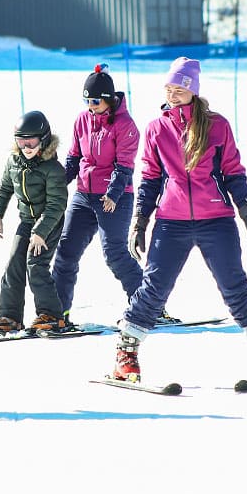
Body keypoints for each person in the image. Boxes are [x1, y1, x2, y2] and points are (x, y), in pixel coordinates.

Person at [114, 57, 247, 382]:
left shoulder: (216, 125)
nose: (173, 94)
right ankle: (126, 354)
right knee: (153, 289)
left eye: (180, 88)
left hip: (216, 219)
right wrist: (139, 222)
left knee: (234, 286)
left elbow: (233, 171)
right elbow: (149, 179)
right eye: (169, 88)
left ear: (193, 91)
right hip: (171, 221)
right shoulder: (156, 128)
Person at [53, 64, 180, 327]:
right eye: (87, 100)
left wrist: (112, 193)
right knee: (66, 251)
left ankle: (149, 308)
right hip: (84, 196)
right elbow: (74, 158)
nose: (91, 106)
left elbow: (125, 165)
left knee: (115, 253)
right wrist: (57, 185)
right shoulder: (82, 120)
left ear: (109, 100)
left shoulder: (126, 125)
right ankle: (57, 313)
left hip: (116, 198)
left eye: (96, 101)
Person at [0, 111, 69, 335]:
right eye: (21, 140)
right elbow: (5, 188)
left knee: (35, 265)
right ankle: (10, 317)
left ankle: (52, 316)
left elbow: (56, 204)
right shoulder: (13, 162)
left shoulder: (53, 169)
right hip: (26, 222)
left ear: (43, 139)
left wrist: (40, 232)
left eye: (31, 141)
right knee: (14, 265)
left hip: (49, 224)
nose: (26, 146)